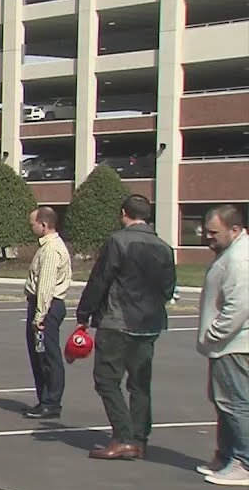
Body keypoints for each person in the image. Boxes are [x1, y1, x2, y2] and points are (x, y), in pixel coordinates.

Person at [74, 195, 176, 460]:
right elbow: (168, 288)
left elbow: (101, 279)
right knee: (140, 383)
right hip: (149, 322)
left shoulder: (118, 241)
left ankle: (123, 436)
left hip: (119, 320)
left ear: (124, 213)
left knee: (107, 380)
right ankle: (139, 438)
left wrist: (85, 312)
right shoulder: (164, 247)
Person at [195, 204, 249, 486]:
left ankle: (244, 462)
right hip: (225, 345)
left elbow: (238, 305)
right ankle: (227, 455)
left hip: (234, 344)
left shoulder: (240, 260)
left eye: (214, 232)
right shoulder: (230, 254)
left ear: (235, 230)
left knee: (236, 402)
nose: (207, 236)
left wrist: (214, 334)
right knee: (224, 401)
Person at [23, 206, 71, 419]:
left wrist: (39, 316)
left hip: (47, 308)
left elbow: (46, 286)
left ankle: (51, 402)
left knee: (46, 355)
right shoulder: (46, 247)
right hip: (44, 306)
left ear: (43, 225)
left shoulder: (51, 249)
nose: (31, 227)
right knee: (38, 354)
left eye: (33, 224)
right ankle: (44, 399)